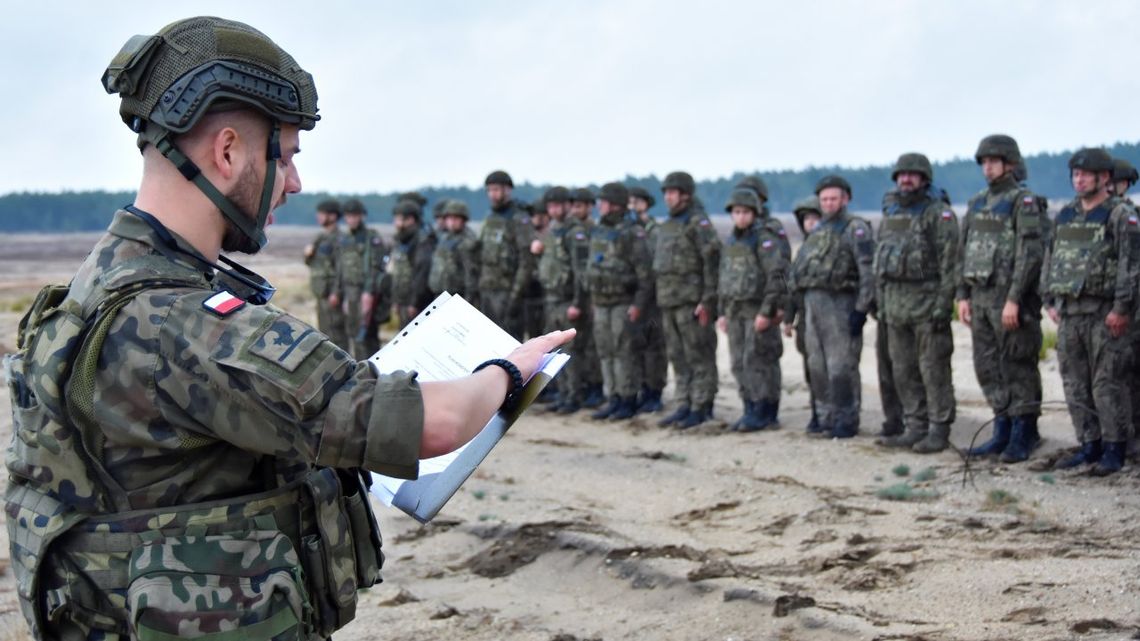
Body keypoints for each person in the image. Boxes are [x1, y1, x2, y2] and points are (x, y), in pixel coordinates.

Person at [6, 16, 573, 640]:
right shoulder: (188, 324)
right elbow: (432, 423)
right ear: (228, 153)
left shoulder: (95, 284)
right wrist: (507, 371)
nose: (295, 184)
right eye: (290, 155)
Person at [1043, 147, 1140, 475]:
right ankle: (1089, 444)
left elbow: (1132, 265)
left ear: (1104, 178)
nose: (1079, 179)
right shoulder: (1066, 214)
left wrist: (1122, 308)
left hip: (1105, 313)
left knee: (1107, 382)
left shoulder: (1120, 215)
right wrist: (1051, 301)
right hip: (1071, 313)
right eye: (1075, 174)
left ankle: (1115, 448)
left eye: (1085, 174)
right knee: (1075, 382)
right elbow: (1052, 257)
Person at [957, 135, 1048, 463]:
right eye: (984, 161)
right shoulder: (977, 202)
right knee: (988, 366)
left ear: (1010, 163)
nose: (988, 167)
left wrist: (1014, 299)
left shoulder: (1023, 202)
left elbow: (1030, 254)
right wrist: (962, 294)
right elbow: (963, 249)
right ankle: (1002, 429)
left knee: (1017, 366)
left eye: (994, 161)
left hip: (1010, 302)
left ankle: (1025, 432)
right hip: (980, 299)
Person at [873, 153, 959, 453]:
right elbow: (880, 261)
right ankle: (915, 426)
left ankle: (938, 429)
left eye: (911, 174)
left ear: (924, 178)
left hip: (927, 307)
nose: (905, 179)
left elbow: (951, 264)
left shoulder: (939, 214)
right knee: (903, 370)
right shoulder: (891, 215)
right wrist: (880, 302)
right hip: (895, 308)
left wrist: (943, 304)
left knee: (933, 370)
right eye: (900, 175)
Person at [789, 175, 874, 438]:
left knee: (841, 366)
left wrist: (861, 309)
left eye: (833, 198)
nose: (828, 203)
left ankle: (846, 421)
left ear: (845, 199)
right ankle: (825, 418)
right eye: (824, 199)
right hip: (813, 306)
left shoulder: (855, 228)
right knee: (817, 365)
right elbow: (798, 272)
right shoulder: (817, 232)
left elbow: (867, 271)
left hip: (841, 304)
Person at [653, 171, 721, 429]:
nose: (668, 197)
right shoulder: (669, 224)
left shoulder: (698, 223)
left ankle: (702, 406)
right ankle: (684, 403)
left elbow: (712, 264)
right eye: (666, 193)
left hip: (693, 303)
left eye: (673, 192)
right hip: (669, 301)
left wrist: (708, 300)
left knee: (699, 354)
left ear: (686, 194)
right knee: (678, 356)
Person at [716, 189, 789, 431]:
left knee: (757, 360)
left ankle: (764, 410)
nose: (741, 217)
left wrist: (766, 311)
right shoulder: (731, 240)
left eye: (745, 212)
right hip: (734, 309)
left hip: (755, 309)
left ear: (754, 213)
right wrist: (722, 312)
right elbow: (724, 277)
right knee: (738, 362)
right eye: (736, 212)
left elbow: (776, 276)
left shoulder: (764, 239)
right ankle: (748, 407)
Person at [585, 182, 653, 420]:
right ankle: (612, 397)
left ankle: (627, 399)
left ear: (614, 204)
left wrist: (637, 305)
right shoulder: (599, 230)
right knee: (606, 351)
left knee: (625, 352)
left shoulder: (631, 232)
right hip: (602, 302)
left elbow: (645, 274)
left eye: (602, 202)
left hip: (624, 302)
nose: (598, 206)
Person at [534, 186, 580, 409]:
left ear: (567, 205)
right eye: (550, 206)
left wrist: (577, 302)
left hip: (567, 298)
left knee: (570, 350)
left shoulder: (574, 232)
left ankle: (573, 394)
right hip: (551, 297)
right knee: (554, 349)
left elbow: (579, 270)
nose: (553, 210)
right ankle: (562, 392)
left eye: (557, 205)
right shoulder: (551, 231)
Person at [476, 170, 536, 340]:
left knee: (509, 344)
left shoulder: (519, 218)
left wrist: (515, 296)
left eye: (496, 189)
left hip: (508, 292)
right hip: (487, 291)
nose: (492, 194)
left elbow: (527, 261)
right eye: (489, 190)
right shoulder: (490, 217)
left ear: (507, 190)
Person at [563, 187, 606, 411]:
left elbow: (584, 270)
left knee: (592, 346)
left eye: (579, 205)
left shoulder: (593, 230)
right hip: (580, 295)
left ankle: (596, 388)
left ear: (590, 207)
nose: (575, 210)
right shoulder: (571, 230)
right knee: (582, 346)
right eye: (573, 205)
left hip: (592, 296)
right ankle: (588, 386)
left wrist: (582, 301)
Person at [784, 197, 823, 432]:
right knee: (811, 370)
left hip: (829, 320)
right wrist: (789, 318)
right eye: (807, 219)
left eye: (815, 218)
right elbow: (792, 287)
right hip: (805, 321)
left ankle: (836, 414)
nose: (811, 223)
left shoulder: (833, 245)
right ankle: (817, 412)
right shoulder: (802, 251)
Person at [337, 197, 391, 358]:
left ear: (362, 216)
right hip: (350, 291)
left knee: (367, 337)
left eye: (355, 215)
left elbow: (376, 268)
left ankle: (373, 376)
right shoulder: (346, 239)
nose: (351, 219)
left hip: (367, 292)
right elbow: (343, 267)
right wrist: (345, 296)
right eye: (348, 216)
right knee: (354, 335)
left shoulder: (371, 238)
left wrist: (368, 293)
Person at [628, 185, 667, 412]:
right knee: (638, 348)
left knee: (654, 349)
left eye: (637, 202)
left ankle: (655, 392)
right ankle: (643, 389)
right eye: (630, 203)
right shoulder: (630, 230)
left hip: (653, 300)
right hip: (636, 297)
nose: (633, 207)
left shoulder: (654, 230)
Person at [303, 197, 349, 349]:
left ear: (333, 216)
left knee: (337, 335)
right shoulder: (321, 237)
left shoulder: (340, 239)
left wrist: (336, 293)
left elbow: (342, 269)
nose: (319, 217)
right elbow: (311, 263)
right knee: (325, 335)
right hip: (321, 294)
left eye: (322, 214)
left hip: (332, 295)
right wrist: (307, 254)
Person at [390, 198, 437, 328]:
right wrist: (396, 300)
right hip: (404, 301)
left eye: (399, 219)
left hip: (417, 304)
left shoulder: (422, 241)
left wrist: (414, 303)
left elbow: (421, 274)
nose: (396, 223)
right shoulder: (403, 240)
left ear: (410, 219)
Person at [429, 199, 480, 299]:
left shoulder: (468, 241)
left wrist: (468, 299)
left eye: (456, 218)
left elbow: (470, 275)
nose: (452, 222)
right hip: (440, 293)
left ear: (463, 220)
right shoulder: (444, 237)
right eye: (449, 218)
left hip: (457, 294)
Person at [522, 198, 550, 340]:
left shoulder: (551, 236)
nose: (537, 219)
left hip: (547, 292)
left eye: (540, 215)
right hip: (530, 291)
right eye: (534, 215)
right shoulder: (527, 236)